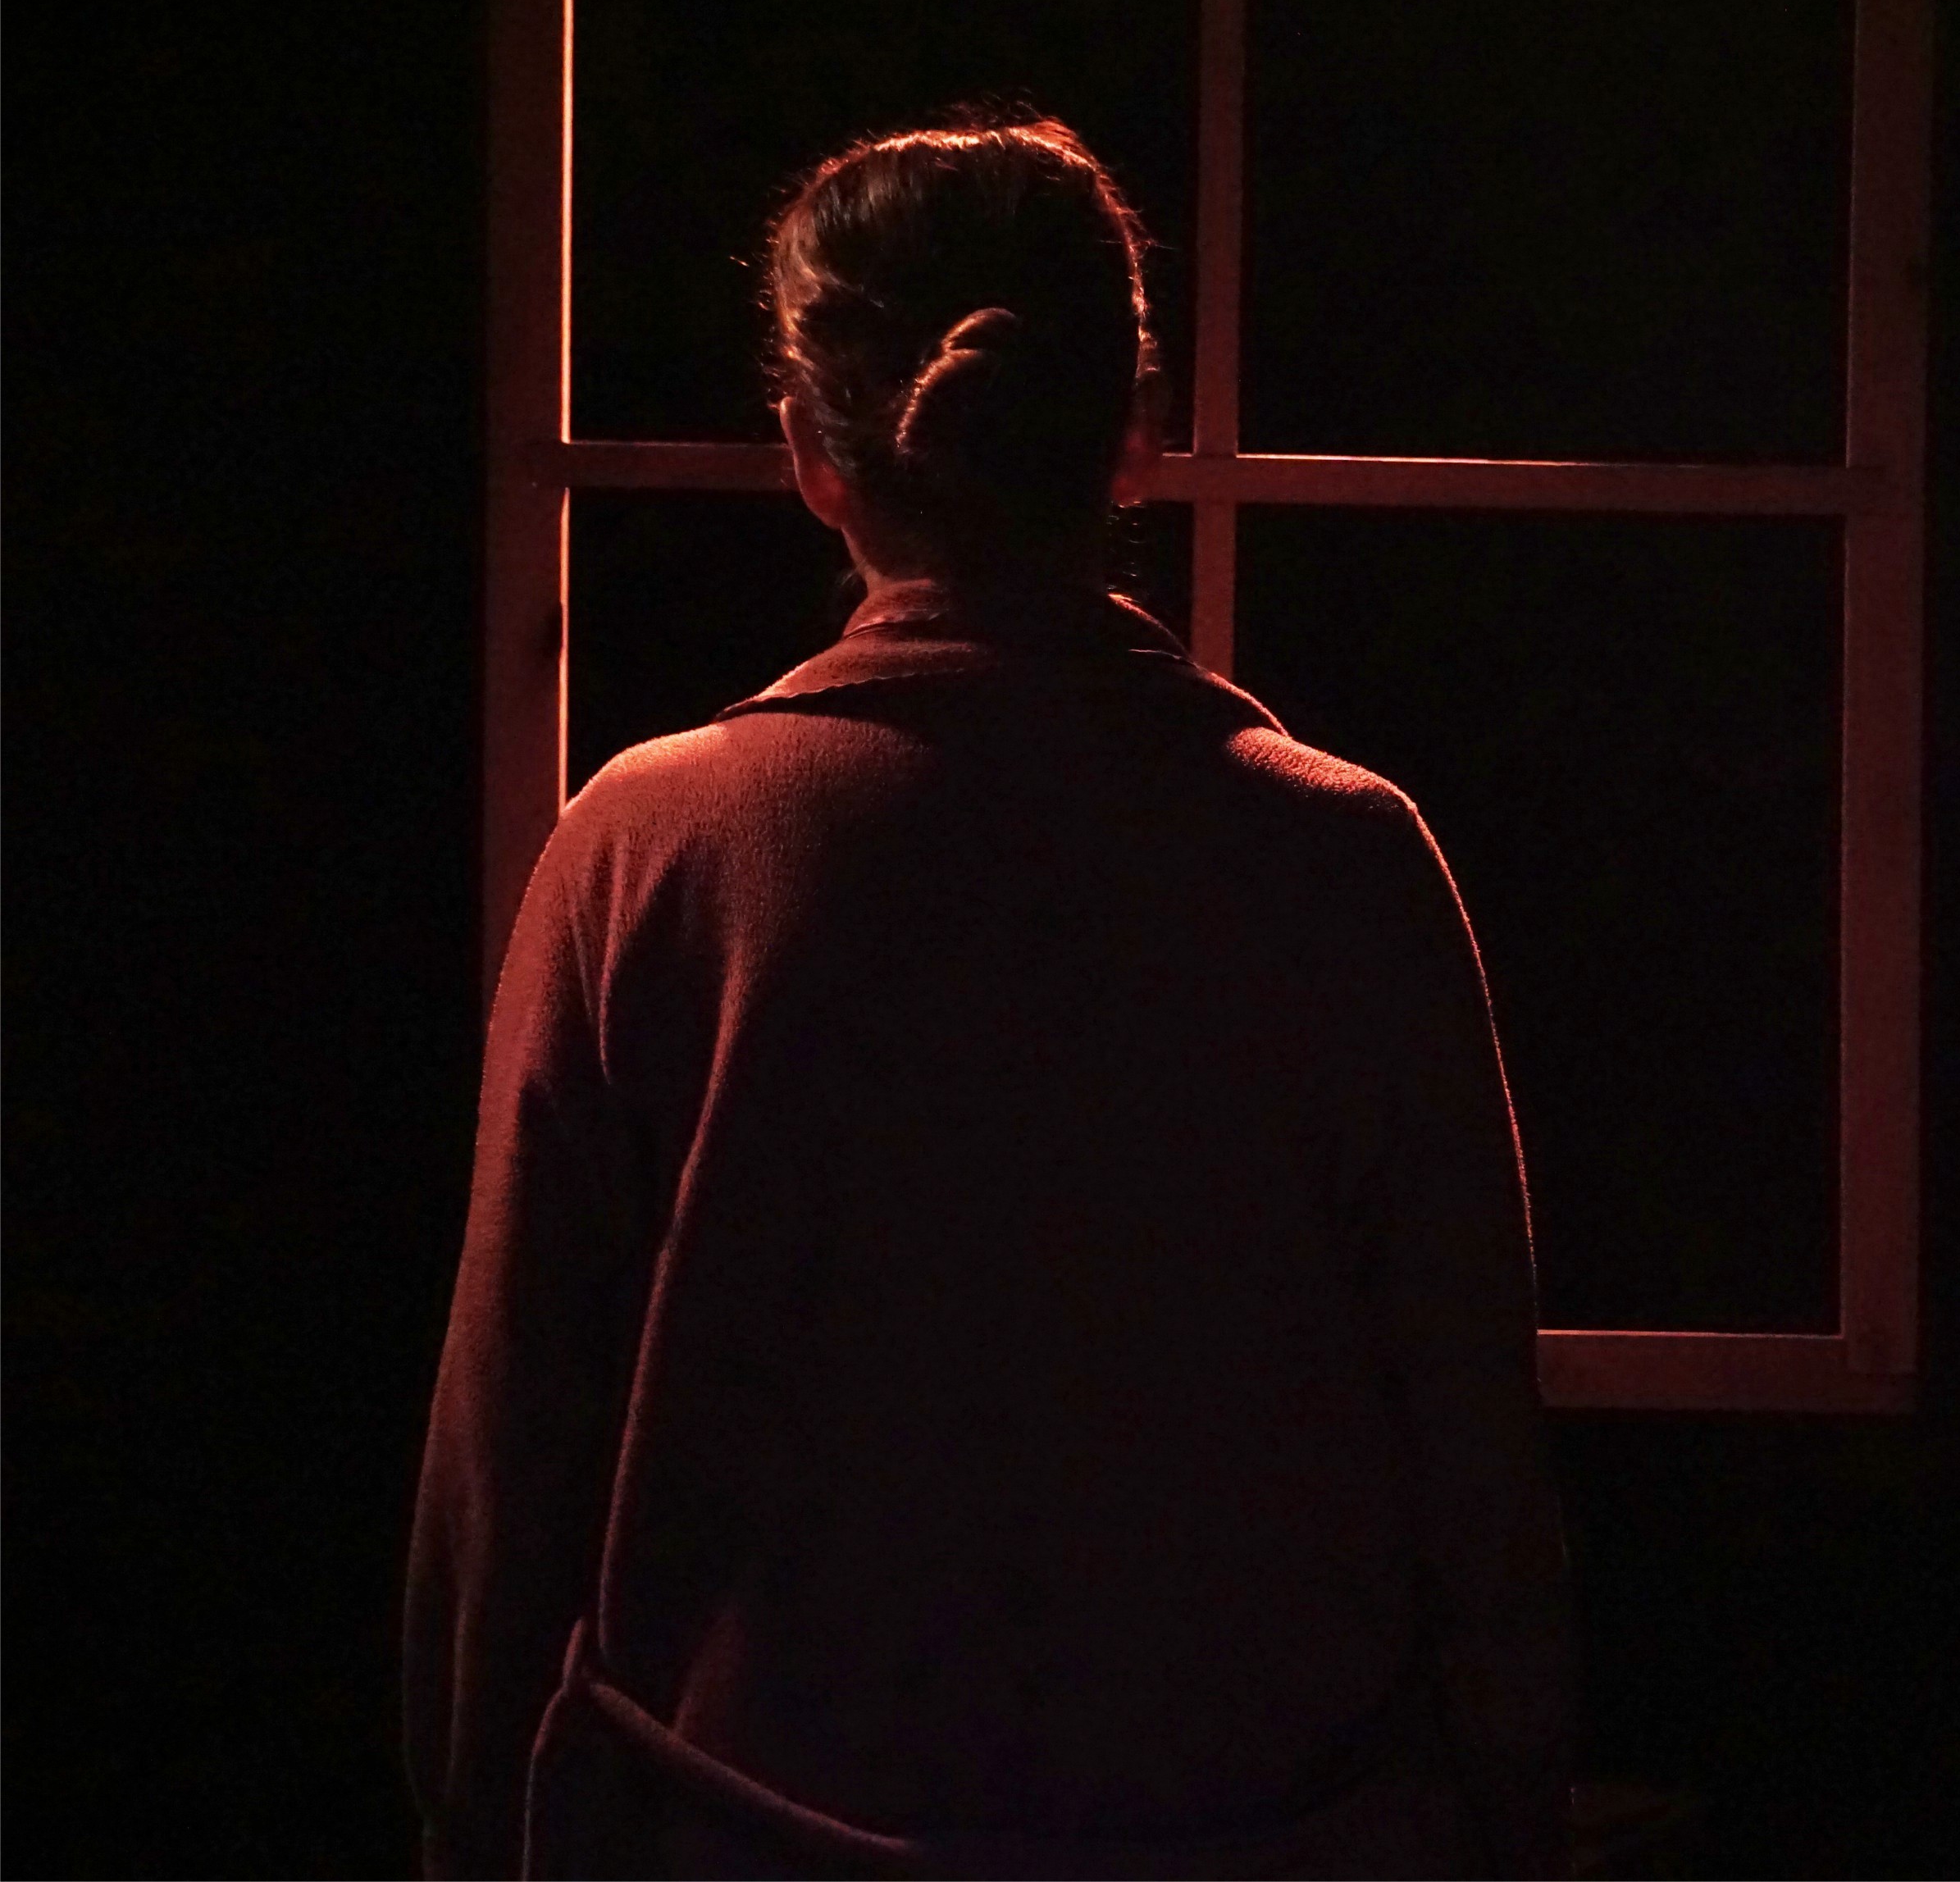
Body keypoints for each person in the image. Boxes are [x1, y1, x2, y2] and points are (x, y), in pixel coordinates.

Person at [403, 114, 1574, 1880]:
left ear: (813, 452)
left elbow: (510, 1458)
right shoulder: (1340, 859)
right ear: (1138, 427)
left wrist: (471, 1823)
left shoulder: (651, 849)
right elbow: (1474, 1463)